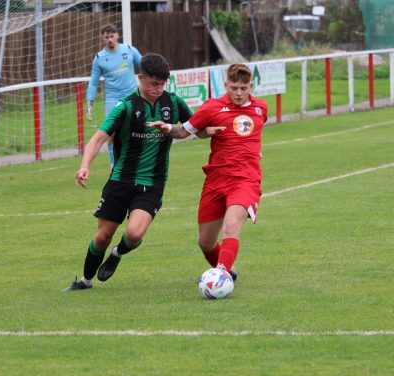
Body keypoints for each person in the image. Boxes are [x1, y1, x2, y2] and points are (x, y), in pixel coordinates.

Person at [64, 53, 193, 292]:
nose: (158, 89)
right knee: (102, 237)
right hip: (120, 181)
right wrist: (84, 166)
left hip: (152, 182)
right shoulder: (124, 107)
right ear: (140, 78)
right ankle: (85, 281)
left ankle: (117, 254)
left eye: (162, 84)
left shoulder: (173, 103)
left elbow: (197, 127)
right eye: (153, 83)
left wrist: (212, 130)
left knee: (134, 234)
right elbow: (98, 139)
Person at [149, 64, 268, 282]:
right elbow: (183, 131)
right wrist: (167, 128)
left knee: (232, 226)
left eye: (244, 88)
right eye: (234, 88)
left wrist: (254, 153)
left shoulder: (261, 108)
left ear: (251, 86)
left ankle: (220, 277)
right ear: (226, 86)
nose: (239, 93)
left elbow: (253, 134)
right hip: (216, 179)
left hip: (246, 180)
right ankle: (225, 270)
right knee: (205, 242)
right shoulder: (212, 108)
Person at [86, 24, 142, 167]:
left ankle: (137, 160)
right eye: (106, 37)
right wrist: (89, 102)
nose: (110, 39)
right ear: (102, 38)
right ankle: (114, 164)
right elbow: (93, 82)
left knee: (137, 129)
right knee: (112, 132)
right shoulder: (99, 58)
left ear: (117, 35)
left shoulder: (129, 50)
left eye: (112, 36)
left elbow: (144, 66)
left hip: (132, 95)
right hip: (113, 98)